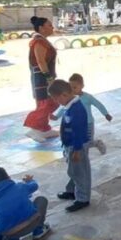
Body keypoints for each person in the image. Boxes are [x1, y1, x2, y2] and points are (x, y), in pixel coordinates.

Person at [49, 79, 92, 212]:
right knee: (73, 170)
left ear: (64, 95)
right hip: (70, 146)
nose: (57, 102)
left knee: (80, 172)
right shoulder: (69, 106)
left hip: (77, 146)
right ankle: (72, 191)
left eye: (57, 99)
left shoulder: (77, 109)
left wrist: (77, 150)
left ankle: (83, 198)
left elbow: (79, 131)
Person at [0, 167, 51, 240]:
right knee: (41, 199)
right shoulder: (20, 187)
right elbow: (34, 186)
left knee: (1, 220)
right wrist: (30, 180)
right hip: (33, 222)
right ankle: (38, 230)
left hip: (11, 232)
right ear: (8, 178)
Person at [52, 74, 113, 155]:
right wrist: (56, 116)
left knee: (88, 142)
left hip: (88, 123)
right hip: (76, 125)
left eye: (75, 87)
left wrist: (106, 114)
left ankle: (97, 143)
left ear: (82, 86)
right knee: (79, 141)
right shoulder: (71, 99)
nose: (72, 90)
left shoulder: (87, 97)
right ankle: (76, 154)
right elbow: (64, 108)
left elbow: (98, 104)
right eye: (70, 88)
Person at [24, 16, 60, 143]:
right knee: (45, 104)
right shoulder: (39, 42)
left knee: (52, 102)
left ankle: (44, 129)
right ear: (41, 28)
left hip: (46, 76)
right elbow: (40, 61)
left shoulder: (43, 40)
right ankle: (34, 129)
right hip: (41, 77)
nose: (52, 27)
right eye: (49, 25)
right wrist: (48, 77)